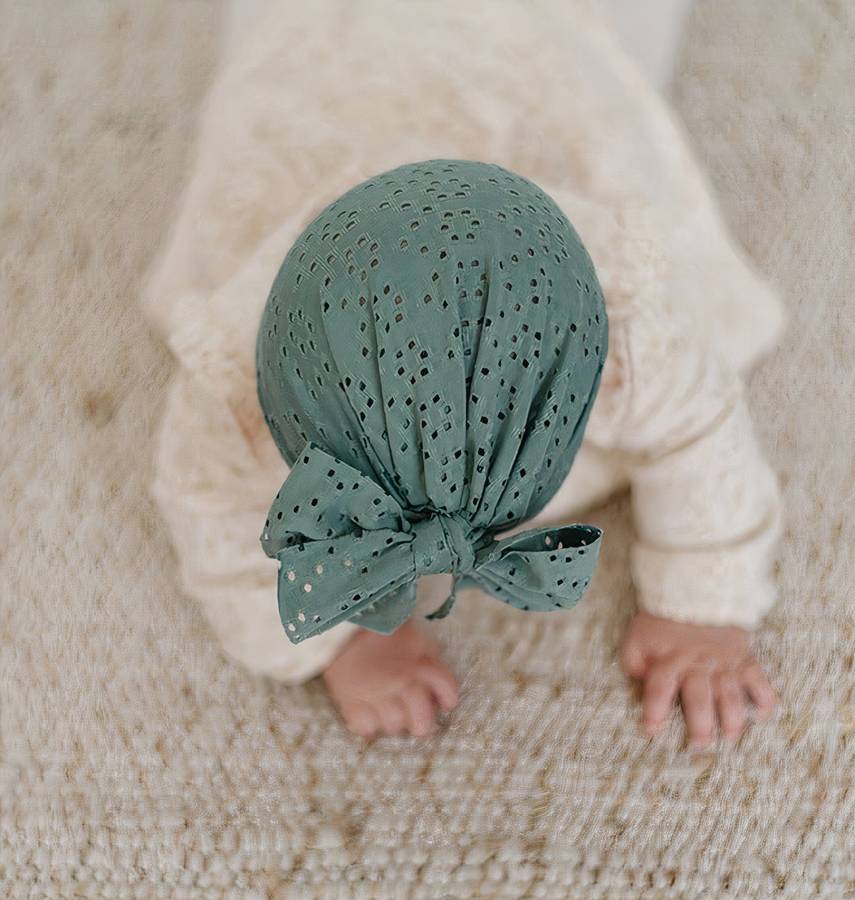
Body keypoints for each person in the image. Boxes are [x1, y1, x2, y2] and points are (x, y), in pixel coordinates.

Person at [142, 0, 784, 748]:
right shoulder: (234, 389)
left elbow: (701, 427)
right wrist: (348, 639)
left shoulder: (619, 322)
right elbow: (209, 512)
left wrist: (703, 606)